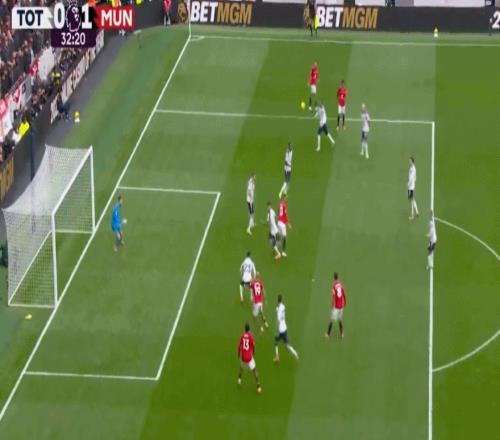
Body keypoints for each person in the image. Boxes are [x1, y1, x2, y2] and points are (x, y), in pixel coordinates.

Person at [273, 295, 299, 362]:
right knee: (283, 343)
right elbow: (279, 309)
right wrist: (277, 308)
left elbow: (278, 320)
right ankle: (278, 356)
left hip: (281, 330)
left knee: (280, 343)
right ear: (281, 300)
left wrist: (276, 329)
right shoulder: (283, 306)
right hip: (285, 327)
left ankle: (294, 353)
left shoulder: (278, 311)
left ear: (277, 300)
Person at [237, 323, 262, 394]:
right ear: (249, 329)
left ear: (244, 329)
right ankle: (258, 386)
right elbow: (253, 346)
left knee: (241, 368)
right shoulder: (251, 337)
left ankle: (239, 379)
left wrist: (238, 354)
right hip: (249, 358)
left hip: (243, 357)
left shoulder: (242, 336)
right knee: (254, 370)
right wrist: (253, 353)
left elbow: (239, 346)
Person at [324, 272, 346, 339]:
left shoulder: (334, 286)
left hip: (336, 307)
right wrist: (345, 302)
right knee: (340, 320)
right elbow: (344, 294)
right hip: (341, 306)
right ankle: (342, 334)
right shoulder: (340, 284)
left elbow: (333, 296)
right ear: (338, 277)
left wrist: (332, 305)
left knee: (332, 320)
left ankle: (328, 334)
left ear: (334, 278)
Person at [408, 156, 419, 220]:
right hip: (412, 185)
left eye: (410, 161)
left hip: (411, 186)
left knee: (411, 200)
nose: (409, 161)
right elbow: (415, 178)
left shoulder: (412, 169)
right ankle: (417, 212)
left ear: (412, 161)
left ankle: (412, 215)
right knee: (412, 199)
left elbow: (412, 178)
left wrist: (408, 184)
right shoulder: (413, 168)